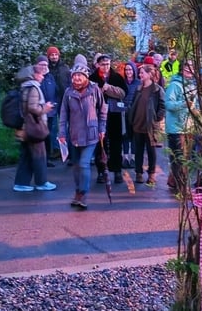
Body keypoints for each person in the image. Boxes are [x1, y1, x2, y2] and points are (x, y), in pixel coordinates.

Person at [59, 55, 108, 209]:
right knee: (76, 166)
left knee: (84, 164)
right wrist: (61, 134)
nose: (77, 79)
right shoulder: (68, 93)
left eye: (80, 76)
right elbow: (63, 115)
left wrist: (102, 128)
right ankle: (77, 192)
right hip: (74, 135)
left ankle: (83, 194)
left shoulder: (94, 90)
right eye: (74, 76)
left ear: (86, 76)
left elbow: (103, 109)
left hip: (91, 134)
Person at [12, 64, 57, 192]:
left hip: (26, 127)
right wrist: (45, 108)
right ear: (34, 75)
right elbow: (32, 107)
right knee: (39, 155)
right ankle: (41, 182)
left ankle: (21, 183)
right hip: (34, 127)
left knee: (26, 156)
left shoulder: (25, 86)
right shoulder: (33, 87)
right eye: (41, 74)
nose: (42, 77)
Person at [89, 54, 128, 184]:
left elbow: (123, 93)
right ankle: (101, 171)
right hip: (98, 114)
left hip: (114, 113)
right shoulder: (93, 78)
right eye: (103, 64)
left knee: (116, 142)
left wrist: (108, 88)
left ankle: (117, 170)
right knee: (101, 144)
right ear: (98, 65)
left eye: (107, 64)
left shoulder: (116, 77)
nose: (106, 66)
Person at [128, 64, 165, 185]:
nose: (140, 75)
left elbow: (163, 106)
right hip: (138, 124)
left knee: (151, 151)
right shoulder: (139, 89)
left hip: (150, 126)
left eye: (142, 73)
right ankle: (138, 172)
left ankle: (151, 174)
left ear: (149, 74)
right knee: (138, 150)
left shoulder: (157, 90)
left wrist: (157, 118)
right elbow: (133, 103)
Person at [165, 60, 199, 193]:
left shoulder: (192, 85)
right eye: (187, 66)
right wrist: (183, 103)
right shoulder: (174, 85)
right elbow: (168, 104)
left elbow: (193, 106)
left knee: (186, 157)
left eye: (192, 67)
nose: (190, 69)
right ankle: (182, 188)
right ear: (181, 68)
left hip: (188, 127)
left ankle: (173, 181)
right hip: (176, 127)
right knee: (180, 159)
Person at [46, 46, 70, 159]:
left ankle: (65, 149)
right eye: (52, 55)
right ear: (49, 56)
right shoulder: (46, 69)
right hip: (51, 100)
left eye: (55, 54)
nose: (54, 57)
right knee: (53, 126)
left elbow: (69, 83)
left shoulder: (65, 68)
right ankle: (55, 149)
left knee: (64, 125)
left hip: (63, 99)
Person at [35, 55, 58, 168]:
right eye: (42, 64)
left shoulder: (50, 77)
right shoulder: (35, 77)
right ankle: (39, 159)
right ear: (37, 65)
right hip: (38, 113)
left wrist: (54, 104)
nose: (44, 67)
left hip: (50, 112)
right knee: (39, 137)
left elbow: (55, 91)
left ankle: (47, 158)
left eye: (45, 65)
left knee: (48, 136)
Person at [121, 60, 141, 166]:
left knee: (133, 135)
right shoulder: (122, 82)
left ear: (134, 70)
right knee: (125, 135)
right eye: (126, 69)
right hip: (124, 112)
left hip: (135, 113)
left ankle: (133, 157)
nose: (128, 71)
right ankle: (125, 157)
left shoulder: (138, 83)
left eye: (130, 69)